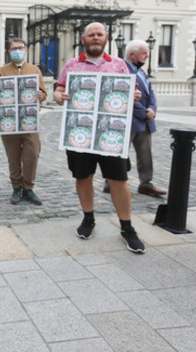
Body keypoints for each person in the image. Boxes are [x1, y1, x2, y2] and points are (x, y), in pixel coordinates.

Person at [53, 22, 145, 254]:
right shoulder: (72, 64)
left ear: (106, 38)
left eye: (99, 34)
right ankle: (88, 218)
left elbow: (132, 92)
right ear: (83, 39)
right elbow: (58, 88)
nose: (95, 37)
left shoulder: (119, 65)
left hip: (111, 133)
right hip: (79, 132)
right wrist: (58, 95)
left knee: (118, 180)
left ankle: (127, 227)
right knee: (83, 176)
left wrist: (134, 95)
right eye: (91, 35)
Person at [103, 40, 166, 196]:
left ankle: (146, 183)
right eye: (144, 53)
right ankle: (110, 182)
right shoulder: (121, 70)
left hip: (145, 122)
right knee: (118, 153)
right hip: (127, 121)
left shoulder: (141, 72)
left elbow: (150, 94)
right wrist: (144, 112)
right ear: (132, 55)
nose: (147, 56)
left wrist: (152, 109)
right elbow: (122, 95)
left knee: (146, 155)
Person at [0, 38, 47, 205]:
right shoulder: (2, 72)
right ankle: (16, 187)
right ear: (9, 52)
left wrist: (40, 95)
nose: (17, 51)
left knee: (32, 153)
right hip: (9, 121)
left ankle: (28, 188)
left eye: (20, 48)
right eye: (14, 49)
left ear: (26, 50)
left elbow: (43, 93)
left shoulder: (35, 70)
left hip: (29, 120)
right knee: (13, 156)